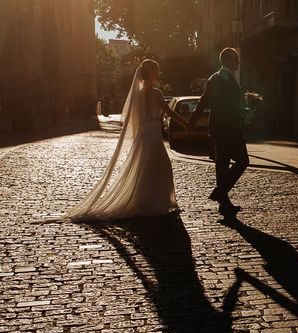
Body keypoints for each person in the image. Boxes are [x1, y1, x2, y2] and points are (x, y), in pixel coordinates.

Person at [43, 59, 188, 223]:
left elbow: (137, 119)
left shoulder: (138, 94)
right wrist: (185, 123)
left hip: (144, 133)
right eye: (157, 70)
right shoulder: (156, 93)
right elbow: (167, 110)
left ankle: (146, 201)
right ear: (152, 72)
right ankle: (156, 202)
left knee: (145, 167)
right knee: (158, 166)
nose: (158, 73)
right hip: (152, 133)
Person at [189, 47, 249, 214]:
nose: (238, 62)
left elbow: (202, 102)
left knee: (222, 165)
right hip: (229, 129)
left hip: (217, 129)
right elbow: (233, 105)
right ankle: (220, 192)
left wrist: (191, 122)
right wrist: (246, 110)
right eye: (236, 59)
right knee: (243, 161)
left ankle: (224, 203)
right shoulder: (226, 79)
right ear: (229, 60)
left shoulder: (213, 78)